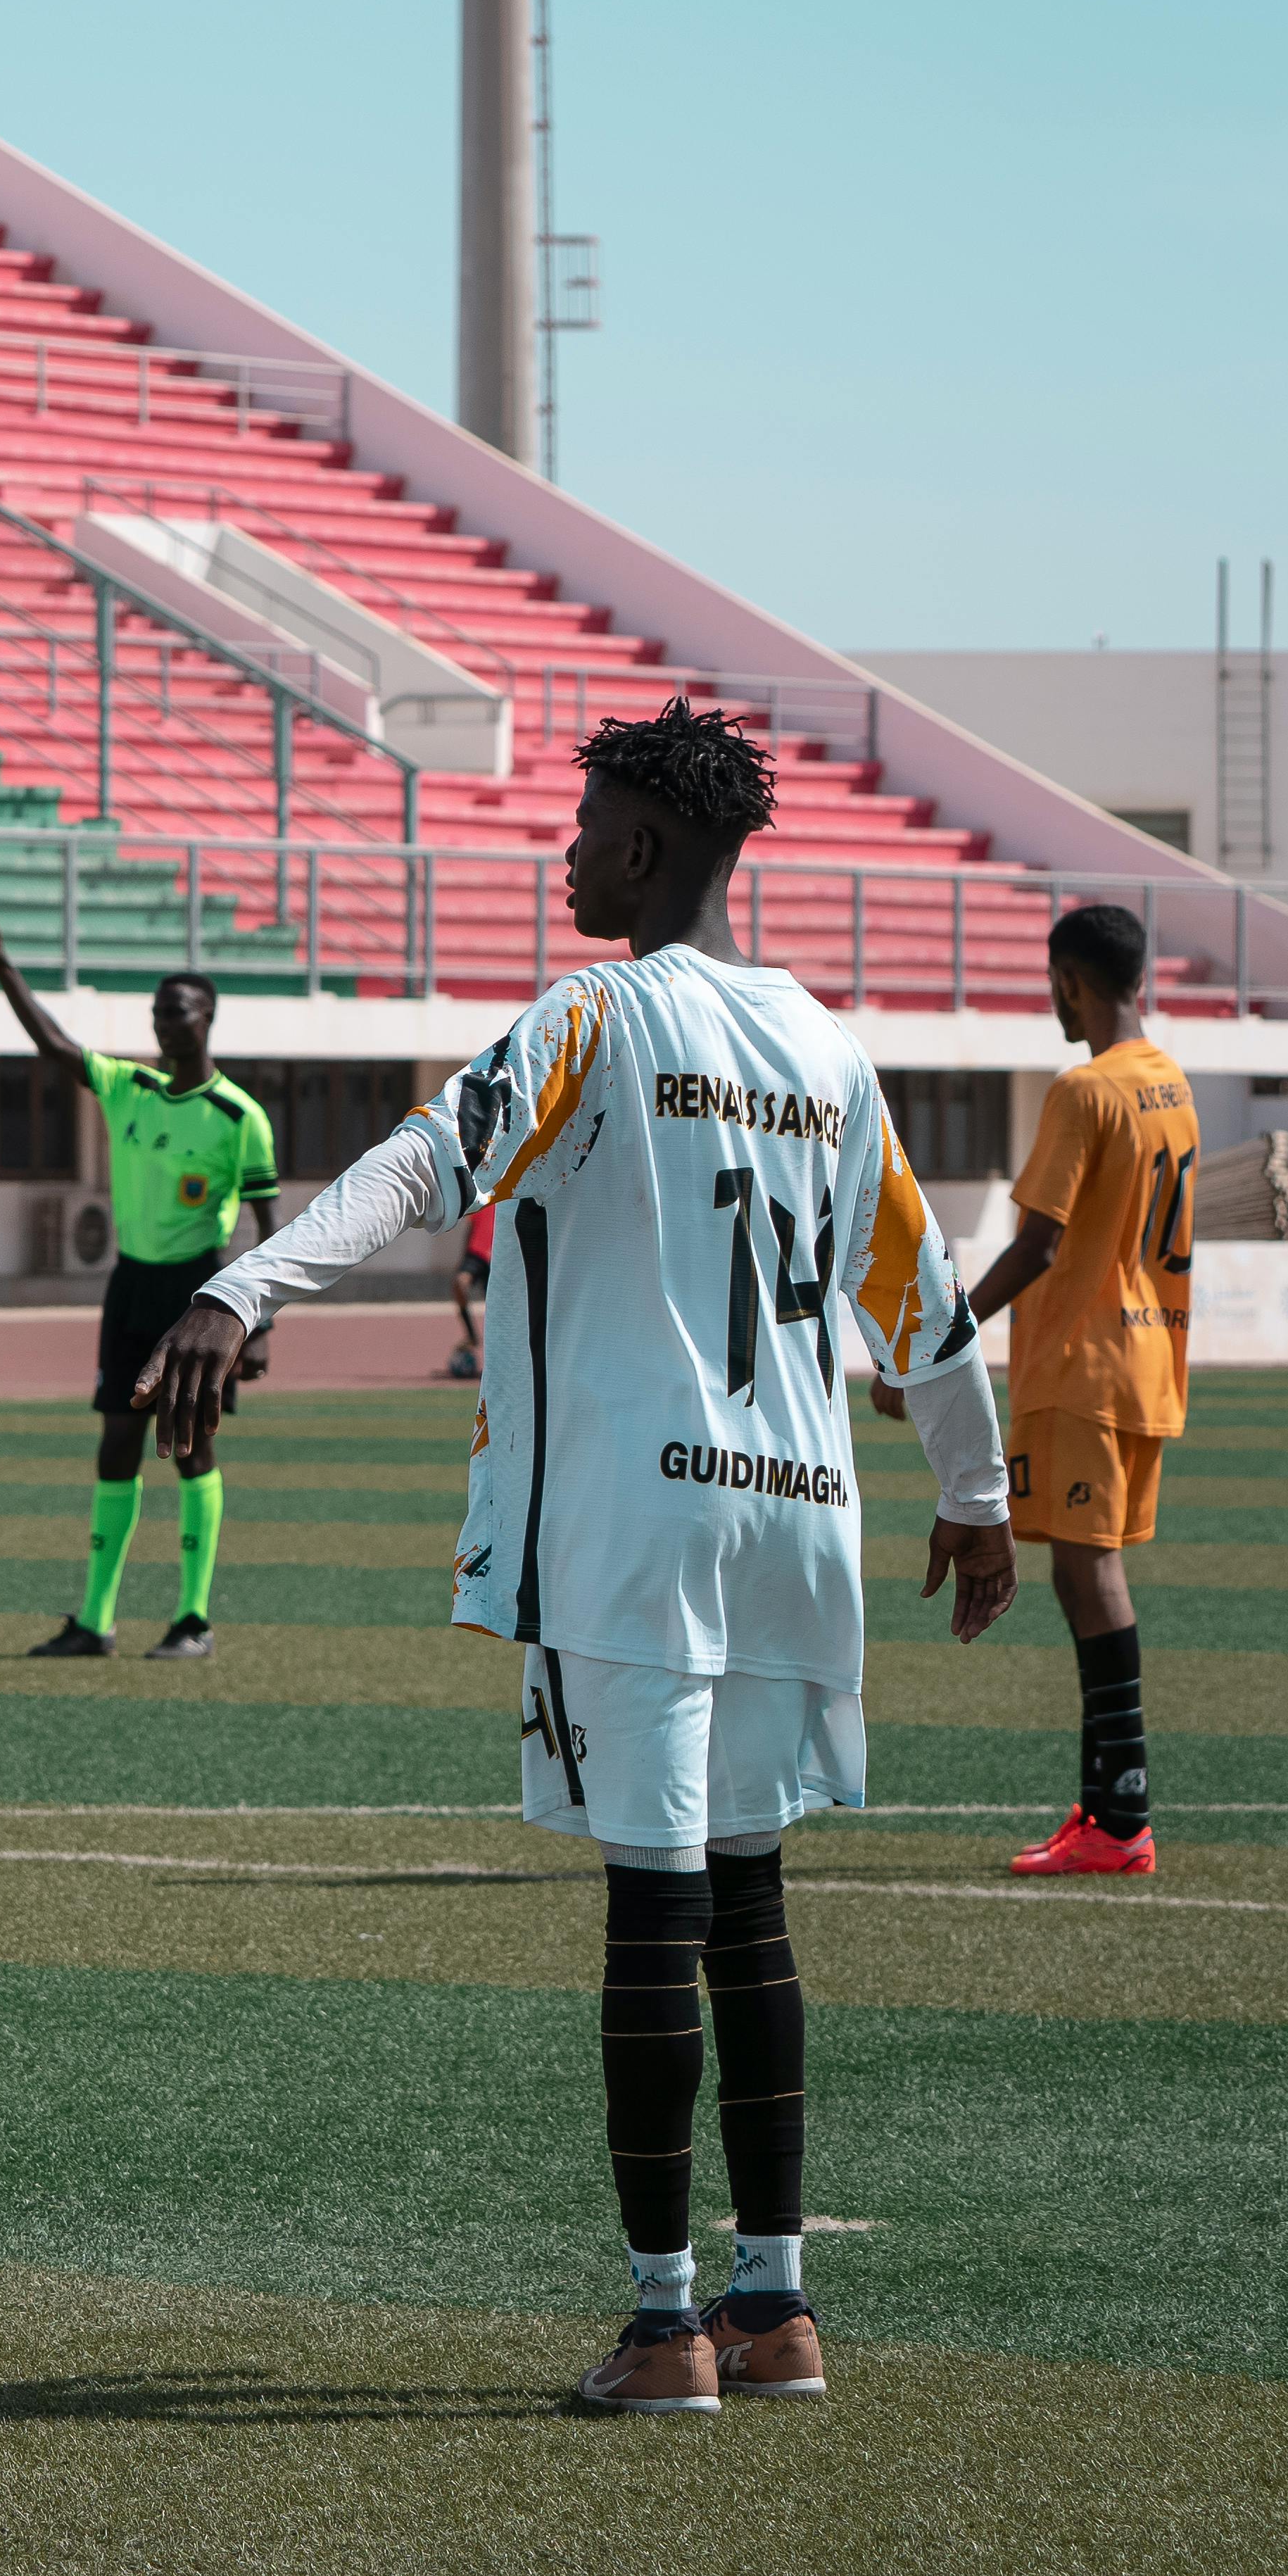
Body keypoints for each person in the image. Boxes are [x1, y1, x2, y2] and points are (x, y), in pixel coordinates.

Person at [150, 701, 1019, 2415]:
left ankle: (660, 2322)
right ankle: (777, 2306)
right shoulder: (828, 1051)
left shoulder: (595, 1015)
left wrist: (239, 1283)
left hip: (644, 1520)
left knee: (651, 1904)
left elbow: (424, 1159)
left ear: (644, 848)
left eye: (588, 823)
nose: (567, 852)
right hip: (799, 1511)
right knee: (751, 1905)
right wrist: (978, 1497)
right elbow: (922, 1300)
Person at [0, 905, 277, 1658]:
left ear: (207, 1019)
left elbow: (272, 1229)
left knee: (192, 1448)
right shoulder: (126, 1087)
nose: (164, 1025)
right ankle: (95, 1621)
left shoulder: (239, 1118)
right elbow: (51, 1043)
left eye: (178, 1012)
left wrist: (259, 1323)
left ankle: (191, 1620)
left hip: (198, 1295)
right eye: (157, 1013)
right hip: (130, 1288)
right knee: (114, 1447)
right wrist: (1, 964)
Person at [974, 903, 1197, 1878]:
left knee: (1088, 1577)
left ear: (1071, 980)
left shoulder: (1085, 1091)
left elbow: (1040, 1243)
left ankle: (1120, 1816)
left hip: (1083, 1366)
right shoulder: (1170, 1086)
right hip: (1150, 1360)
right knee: (1082, 1574)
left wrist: (939, 1338)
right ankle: (1108, 1807)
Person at [447, 1199, 498, 1383]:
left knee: (498, 1306)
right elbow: (471, 1228)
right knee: (460, 1283)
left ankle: (502, 1357)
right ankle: (471, 1335)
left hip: (500, 1252)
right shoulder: (485, 1197)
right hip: (478, 1251)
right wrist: (463, 1259)